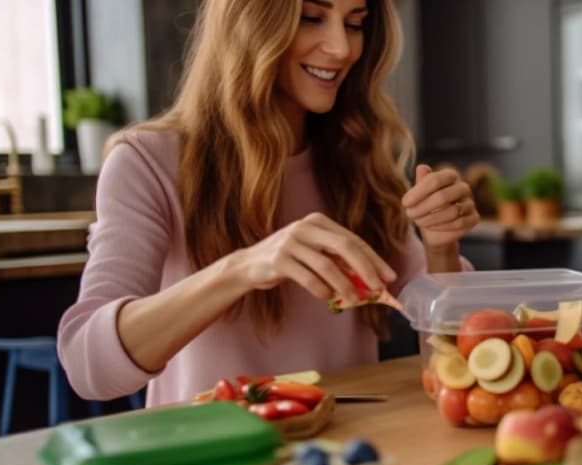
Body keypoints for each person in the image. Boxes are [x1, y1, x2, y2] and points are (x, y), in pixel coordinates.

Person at [58, 0, 478, 407]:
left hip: (347, 446)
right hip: (209, 450)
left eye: (354, 23)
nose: (342, 48)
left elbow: (452, 354)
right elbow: (87, 367)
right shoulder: (147, 161)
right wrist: (243, 268)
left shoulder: (360, 161)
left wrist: (441, 247)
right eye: (311, 17)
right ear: (250, 23)